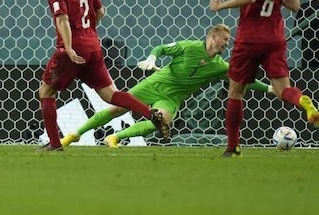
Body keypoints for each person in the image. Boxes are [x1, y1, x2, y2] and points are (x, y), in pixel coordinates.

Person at [38, 0, 170, 152]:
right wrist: (88, 31)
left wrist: (71, 47)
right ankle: (150, 113)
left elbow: (62, 20)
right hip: (93, 45)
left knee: (46, 91)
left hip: (72, 49)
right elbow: (101, 12)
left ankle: (54, 144)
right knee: (110, 94)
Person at [61, 24, 274, 148]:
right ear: (212, 36)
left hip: (172, 98)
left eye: (229, 41)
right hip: (155, 83)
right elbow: (161, 47)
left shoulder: (220, 66)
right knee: (116, 108)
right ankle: (74, 135)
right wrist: (152, 59)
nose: (228, 44)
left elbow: (244, 79)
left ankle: (115, 137)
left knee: (160, 121)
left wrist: (270, 89)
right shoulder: (188, 47)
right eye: (225, 39)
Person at [209, 0, 319, 157]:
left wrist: (222, 5)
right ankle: (302, 101)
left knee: (236, 92)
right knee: (283, 90)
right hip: (275, 38)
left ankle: (232, 147)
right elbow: (295, 6)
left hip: (250, 38)